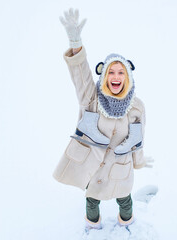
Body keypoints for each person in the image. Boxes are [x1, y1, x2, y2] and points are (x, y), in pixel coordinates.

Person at [53, 8, 153, 230]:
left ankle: (127, 224)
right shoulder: (92, 98)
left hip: (121, 166)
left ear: (127, 77)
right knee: (92, 199)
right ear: (104, 75)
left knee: (125, 200)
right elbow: (81, 74)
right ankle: (93, 227)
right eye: (111, 72)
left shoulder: (137, 107)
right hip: (94, 167)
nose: (115, 76)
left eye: (120, 72)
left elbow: (138, 137)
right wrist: (75, 43)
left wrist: (139, 160)